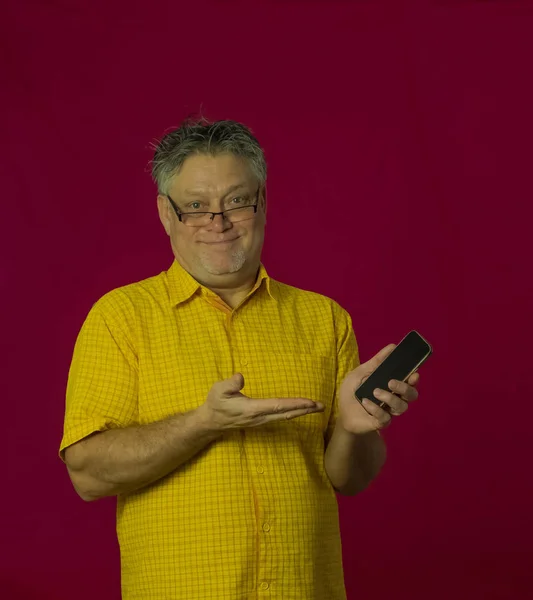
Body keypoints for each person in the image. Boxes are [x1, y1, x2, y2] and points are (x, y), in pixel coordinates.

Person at [59, 118, 420, 600]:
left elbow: (349, 480)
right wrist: (203, 424)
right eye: (195, 206)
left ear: (263, 203)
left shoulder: (324, 320)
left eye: (236, 201)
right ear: (166, 215)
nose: (218, 222)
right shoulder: (120, 318)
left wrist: (356, 428)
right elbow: (86, 475)